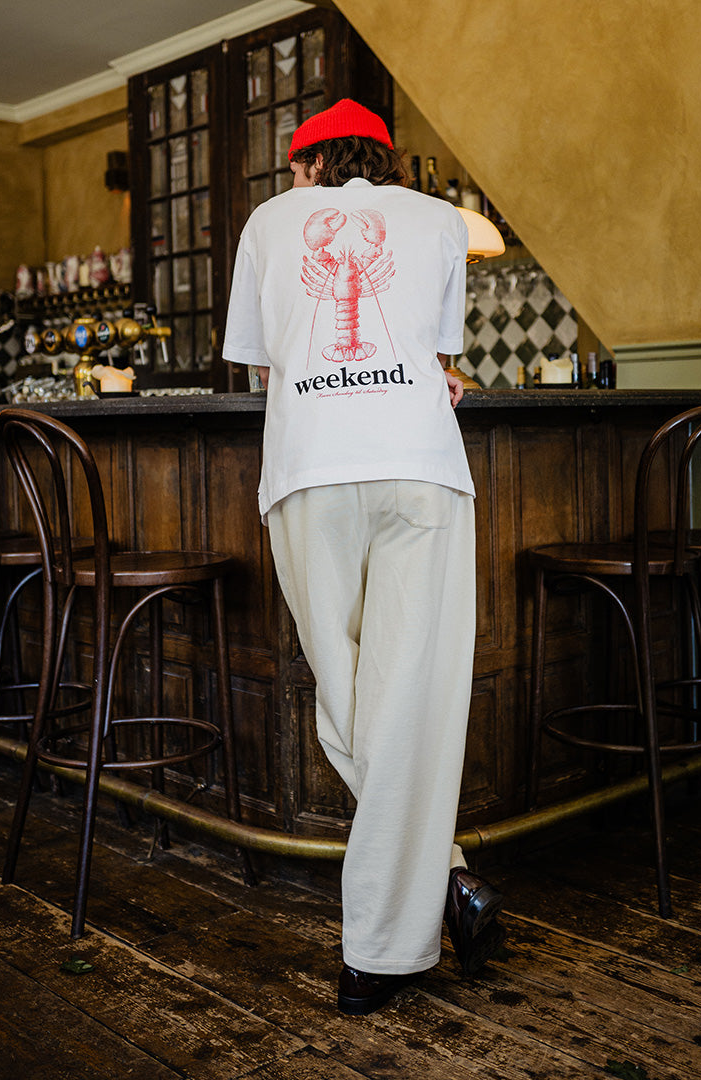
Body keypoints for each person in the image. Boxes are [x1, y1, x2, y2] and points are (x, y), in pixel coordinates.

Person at [222, 98, 504, 1016]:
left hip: (311, 472)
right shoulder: (441, 221)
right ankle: (437, 885)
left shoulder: (268, 222)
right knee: (412, 696)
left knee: (345, 692)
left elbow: (264, 368)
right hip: (422, 468)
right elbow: (435, 358)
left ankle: (386, 943)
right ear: (386, 162)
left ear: (307, 163)